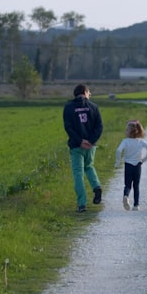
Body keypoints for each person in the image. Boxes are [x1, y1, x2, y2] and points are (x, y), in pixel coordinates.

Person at [63, 84, 103, 213]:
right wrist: (91, 141)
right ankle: (96, 187)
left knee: (78, 173)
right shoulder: (94, 107)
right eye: (89, 93)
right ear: (85, 92)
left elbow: (69, 128)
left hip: (76, 146)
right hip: (91, 146)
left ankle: (82, 204)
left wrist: (80, 141)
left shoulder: (68, 107)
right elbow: (99, 127)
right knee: (89, 166)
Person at [114, 119, 147, 211]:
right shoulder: (140, 141)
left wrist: (118, 161)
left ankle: (126, 196)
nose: (125, 131)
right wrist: (144, 159)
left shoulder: (125, 141)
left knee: (127, 185)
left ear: (130, 132)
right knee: (136, 185)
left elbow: (119, 150)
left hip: (128, 165)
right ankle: (136, 205)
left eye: (126, 130)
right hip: (137, 165)